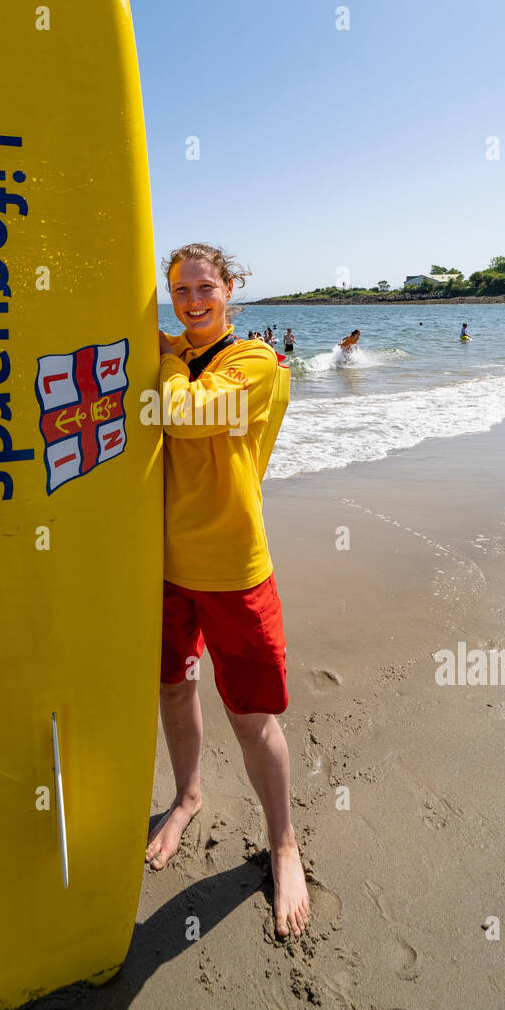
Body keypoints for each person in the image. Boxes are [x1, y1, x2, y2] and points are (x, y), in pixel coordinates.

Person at [151, 242, 309, 940]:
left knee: (252, 719)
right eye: (180, 290)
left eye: (205, 287)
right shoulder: (173, 356)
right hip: (161, 566)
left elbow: (181, 414)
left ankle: (284, 844)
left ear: (231, 289)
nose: (192, 301)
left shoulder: (257, 364)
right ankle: (187, 795)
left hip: (236, 570)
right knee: (174, 689)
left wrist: (157, 356)